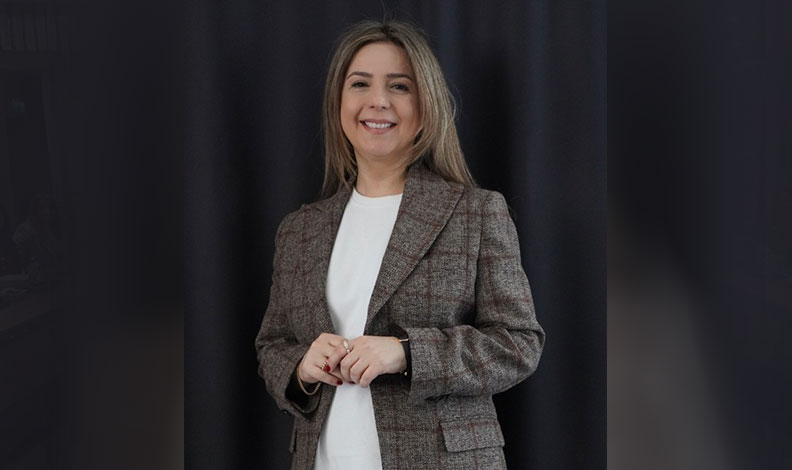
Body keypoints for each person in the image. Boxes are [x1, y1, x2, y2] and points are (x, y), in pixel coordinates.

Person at [255, 20, 544, 469]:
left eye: (399, 86)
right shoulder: (300, 230)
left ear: (425, 106)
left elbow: (519, 344)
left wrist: (407, 352)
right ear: (338, 103)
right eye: (360, 84)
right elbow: (272, 344)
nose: (378, 100)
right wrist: (302, 368)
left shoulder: (475, 213)